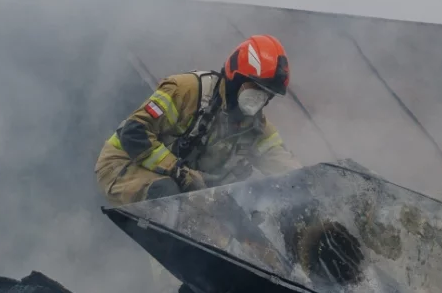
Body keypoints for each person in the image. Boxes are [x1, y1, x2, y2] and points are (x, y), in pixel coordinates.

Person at [95, 34, 301, 205]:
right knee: (170, 196)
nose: (259, 99)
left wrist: (310, 183)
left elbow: (282, 162)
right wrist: (178, 171)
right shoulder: (186, 90)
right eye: (255, 88)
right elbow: (133, 132)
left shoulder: (254, 127)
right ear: (235, 78)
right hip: (123, 164)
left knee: (229, 217)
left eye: (266, 94)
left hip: (178, 182)